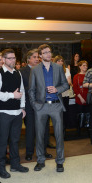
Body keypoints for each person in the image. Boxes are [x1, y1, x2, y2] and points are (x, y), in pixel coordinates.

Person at [29, 44, 69, 172]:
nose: (48, 54)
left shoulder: (58, 68)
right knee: (40, 135)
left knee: (58, 135)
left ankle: (60, 161)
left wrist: (57, 89)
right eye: (45, 53)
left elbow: (65, 85)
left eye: (49, 52)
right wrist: (35, 105)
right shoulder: (35, 70)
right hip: (41, 106)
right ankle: (40, 160)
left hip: (56, 105)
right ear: (40, 56)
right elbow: (31, 90)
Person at [0, 49, 28, 178]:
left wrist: (22, 107)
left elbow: (22, 91)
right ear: (4, 59)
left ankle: (15, 164)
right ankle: (0, 168)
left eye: (14, 58)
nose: (13, 60)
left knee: (15, 141)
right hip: (3, 113)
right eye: (10, 58)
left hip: (17, 112)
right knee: (2, 142)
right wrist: (12, 95)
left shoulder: (18, 73)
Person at [53, 55, 72, 132]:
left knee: (65, 113)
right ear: (55, 62)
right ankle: (57, 130)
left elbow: (69, 82)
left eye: (62, 60)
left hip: (65, 93)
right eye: (58, 61)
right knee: (57, 113)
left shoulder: (66, 70)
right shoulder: (52, 70)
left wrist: (61, 85)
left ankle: (63, 131)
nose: (60, 62)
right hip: (56, 94)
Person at [72, 61, 89, 133]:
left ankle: (87, 128)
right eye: (84, 65)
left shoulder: (88, 75)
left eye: (86, 65)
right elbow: (75, 88)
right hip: (80, 97)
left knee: (88, 114)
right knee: (80, 114)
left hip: (88, 97)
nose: (85, 67)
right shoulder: (76, 76)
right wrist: (81, 98)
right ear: (80, 67)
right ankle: (79, 129)